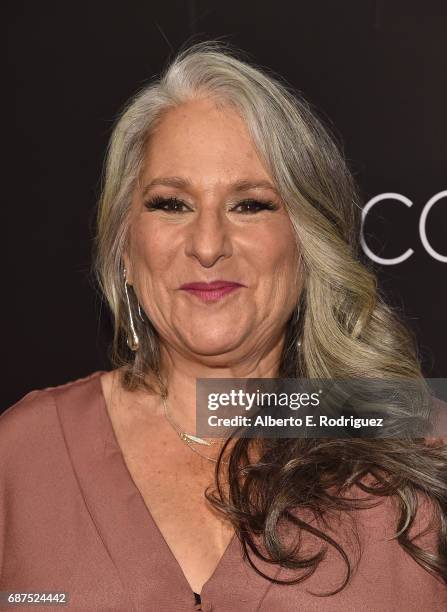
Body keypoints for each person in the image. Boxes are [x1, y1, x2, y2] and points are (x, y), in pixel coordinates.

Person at [1, 41, 446, 612]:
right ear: (125, 251)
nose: (208, 245)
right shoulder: (24, 454)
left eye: (250, 205)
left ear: (308, 245)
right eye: (170, 204)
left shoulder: (421, 451)